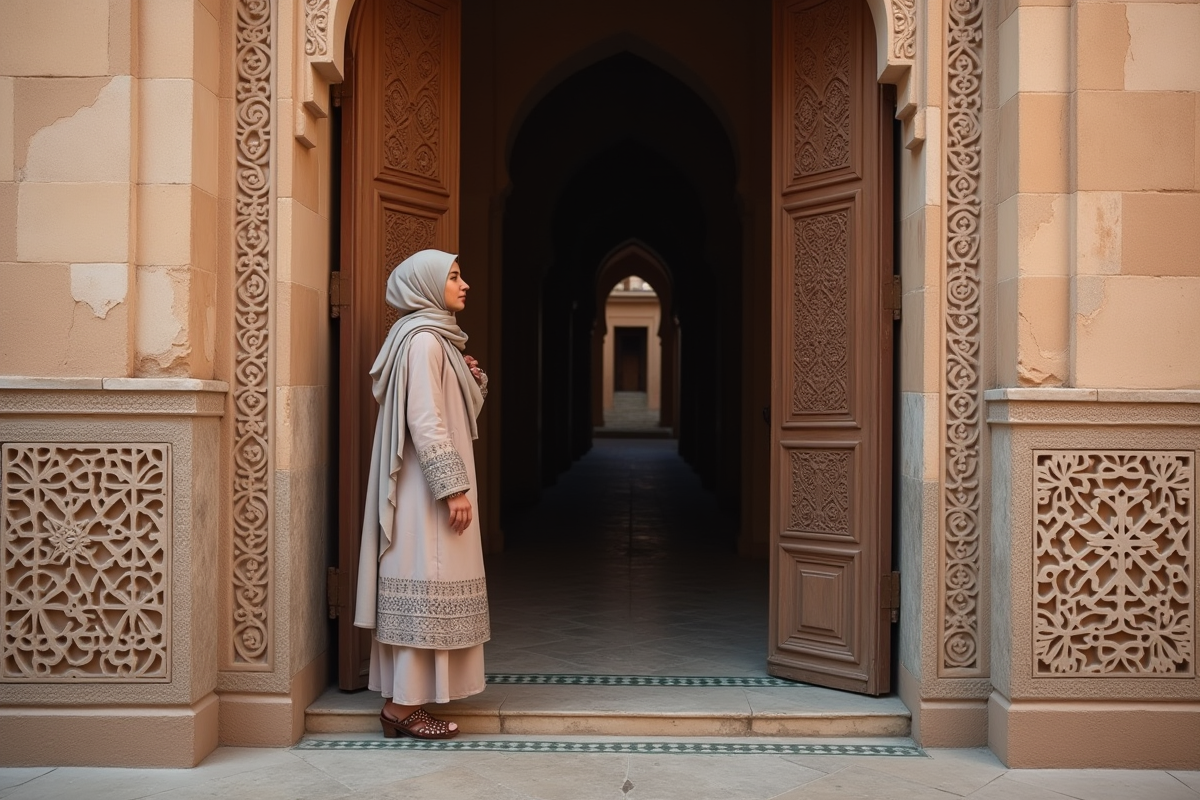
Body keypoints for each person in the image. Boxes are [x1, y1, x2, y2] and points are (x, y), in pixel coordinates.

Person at [354, 249, 489, 739]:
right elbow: (426, 422)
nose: (464, 283)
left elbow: (445, 407)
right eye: (454, 276)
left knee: (428, 590)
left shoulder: (434, 340)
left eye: (460, 273)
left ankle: (407, 703)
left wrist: (469, 378)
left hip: (426, 488)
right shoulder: (423, 342)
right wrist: (453, 488)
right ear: (429, 286)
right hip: (427, 493)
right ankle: (400, 710)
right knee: (425, 586)